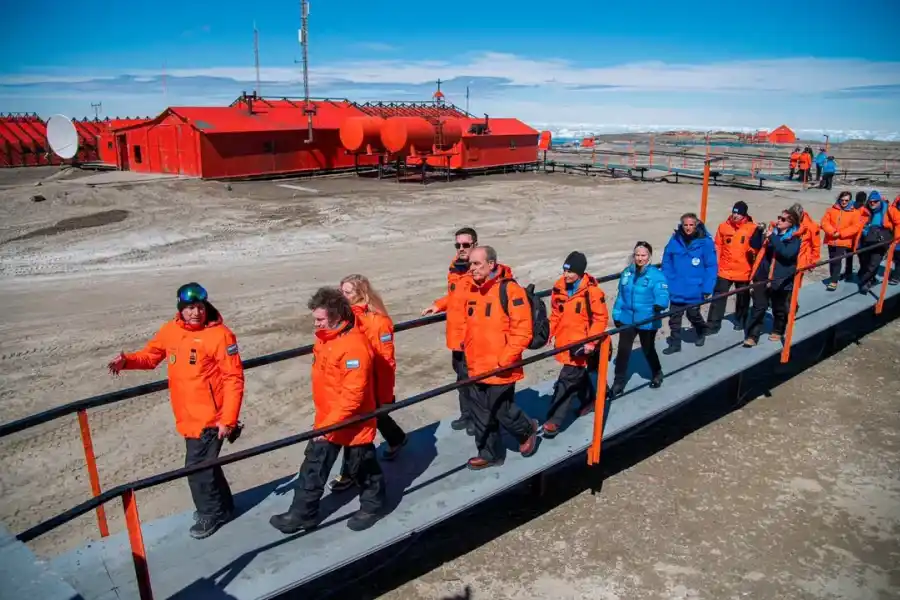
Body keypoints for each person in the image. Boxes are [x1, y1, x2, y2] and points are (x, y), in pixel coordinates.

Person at [107, 282, 244, 539]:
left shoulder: (221, 336)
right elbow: (150, 357)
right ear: (180, 309)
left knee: (196, 468)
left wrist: (229, 419)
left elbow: (234, 379)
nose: (195, 313)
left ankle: (209, 514)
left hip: (210, 420)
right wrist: (126, 361)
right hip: (186, 416)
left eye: (200, 307)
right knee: (206, 465)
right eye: (190, 308)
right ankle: (223, 507)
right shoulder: (171, 331)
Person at [270, 287, 385, 534]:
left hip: (354, 421)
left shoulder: (354, 347)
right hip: (327, 418)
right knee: (313, 466)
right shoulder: (326, 339)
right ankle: (302, 514)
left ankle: (372, 507)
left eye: (320, 319)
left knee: (363, 467)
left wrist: (328, 424)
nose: (316, 323)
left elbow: (353, 395)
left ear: (336, 316)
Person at [327, 275, 407, 493]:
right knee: (369, 419)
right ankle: (397, 438)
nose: (342, 296)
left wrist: (384, 394)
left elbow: (386, 362)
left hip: (368, 383)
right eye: (341, 291)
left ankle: (348, 475)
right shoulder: (346, 318)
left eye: (348, 292)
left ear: (361, 293)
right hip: (351, 381)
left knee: (354, 429)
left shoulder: (377, 322)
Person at [462, 246, 539, 470]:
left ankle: (526, 430)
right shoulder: (473, 289)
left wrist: (505, 359)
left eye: (477, 264)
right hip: (476, 364)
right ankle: (490, 453)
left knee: (501, 409)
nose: (472, 268)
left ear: (491, 264)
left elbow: (523, 330)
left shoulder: (510, 290)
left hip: (499, 364)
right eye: (471, 264)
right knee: (479, 412)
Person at [543, 251, 609, 438]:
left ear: (580, 272)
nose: (566, 275)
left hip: (582, 343)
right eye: (564, 271)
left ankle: (553, 422)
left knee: (566, 380)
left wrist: (591, 342)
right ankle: (589, 400)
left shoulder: (592, 292)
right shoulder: (559, 287)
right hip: (564, 340)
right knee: (576, 375)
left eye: (570, 272)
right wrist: (549, 333)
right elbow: (556, 313)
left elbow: (600, 318)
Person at [422, 227, 478, 435]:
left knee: (474, 380)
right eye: (458, 245)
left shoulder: (479, 268)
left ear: (475, 244)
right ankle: (466, 414)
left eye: (465, 244)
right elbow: (455, 295)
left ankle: (477, 418)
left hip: (472, 335)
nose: (461, 248)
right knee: (462, 378)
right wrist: (439, 305)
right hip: (456, 335)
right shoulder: (455, 267)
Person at [611, 241, 669, 396]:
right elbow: (620, 296)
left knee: (648, 349)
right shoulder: (627, 273)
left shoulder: (656, 275)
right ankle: (619, 382)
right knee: (623, 350)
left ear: (649, 256)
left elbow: (662, 294)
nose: (639, 258)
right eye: (637, 255)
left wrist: (660, 304)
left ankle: (657, 372)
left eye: (643, 255)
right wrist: (617, 314)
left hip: (647, 319)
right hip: (627, 318)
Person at [744, 208, 802, 347]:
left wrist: (773, 237)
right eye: (779, 217)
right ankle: (752, 335)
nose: (778, 221)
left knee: (779, 307)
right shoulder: (772, 233)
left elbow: (786, 253)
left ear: (791, 223)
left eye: (783, 219)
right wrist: (758, 232)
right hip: (763, 276)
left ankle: (778, 329)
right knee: (759, 306)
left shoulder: (794, 238)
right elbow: (754, 245)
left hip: (781, 278)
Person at [661, 212, 717, 354]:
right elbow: (667, 260)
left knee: (693, 314)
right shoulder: (675, 240)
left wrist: (707, 287)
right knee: (674, 318)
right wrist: (668, 278)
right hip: (677, 286)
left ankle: (701, 330)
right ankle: (675, 344)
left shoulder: (705, 242)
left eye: (691, 225)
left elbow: (711, 266)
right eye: (685, 225)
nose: (688, 228)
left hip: (695, 287)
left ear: (696, 225)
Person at [708, 201, 760, 333]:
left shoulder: (752, 228)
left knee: (743, 298)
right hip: (724, 270)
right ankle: (713, 324)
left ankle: (741, 320)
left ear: (744, 215)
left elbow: (756, 248)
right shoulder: (723, 227)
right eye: (734, 212)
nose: (735, 215)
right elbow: (718, 246)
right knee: (718, 297)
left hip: (743, 270)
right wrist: (717, 264)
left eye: (738, 213)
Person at [820, 191, 864, 291]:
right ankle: (833, 277)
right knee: (832, 260)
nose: (844, 202)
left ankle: (834, 281)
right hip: (831, 239)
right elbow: (824, 222)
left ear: (850, 201)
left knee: (837, 259)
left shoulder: (855, 213)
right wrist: (832, 232)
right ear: (839, 199)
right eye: (842, 200)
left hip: (843, 240)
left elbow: (855, 227)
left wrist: (840, 233)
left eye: (846, 200)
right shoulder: (831, 210)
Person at [857, 191, 891, 294]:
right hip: (865, 240)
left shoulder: (887, 211)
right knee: (864, 262)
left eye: (875, 201)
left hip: (879, 242)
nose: (873, 203)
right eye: (871, 201)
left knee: (874, 263)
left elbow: (895, 225)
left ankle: (865, 283)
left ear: (880, 201)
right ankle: (869, 279)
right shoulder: (864, 210)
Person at [789, 202, 822, 275]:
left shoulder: (812, 227)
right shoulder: (789, 221)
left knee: (795, 284)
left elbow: (816, 246)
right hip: (787, 259)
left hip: (801, 260)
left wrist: (812, 262)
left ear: (801, 215)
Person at [888, 195, 900, 286]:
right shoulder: (895, 210)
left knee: (898, 260)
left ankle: (896, 276)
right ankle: (896, 274)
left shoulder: (895, 210)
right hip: (896, 239)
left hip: (897, 239)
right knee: (896, 259)